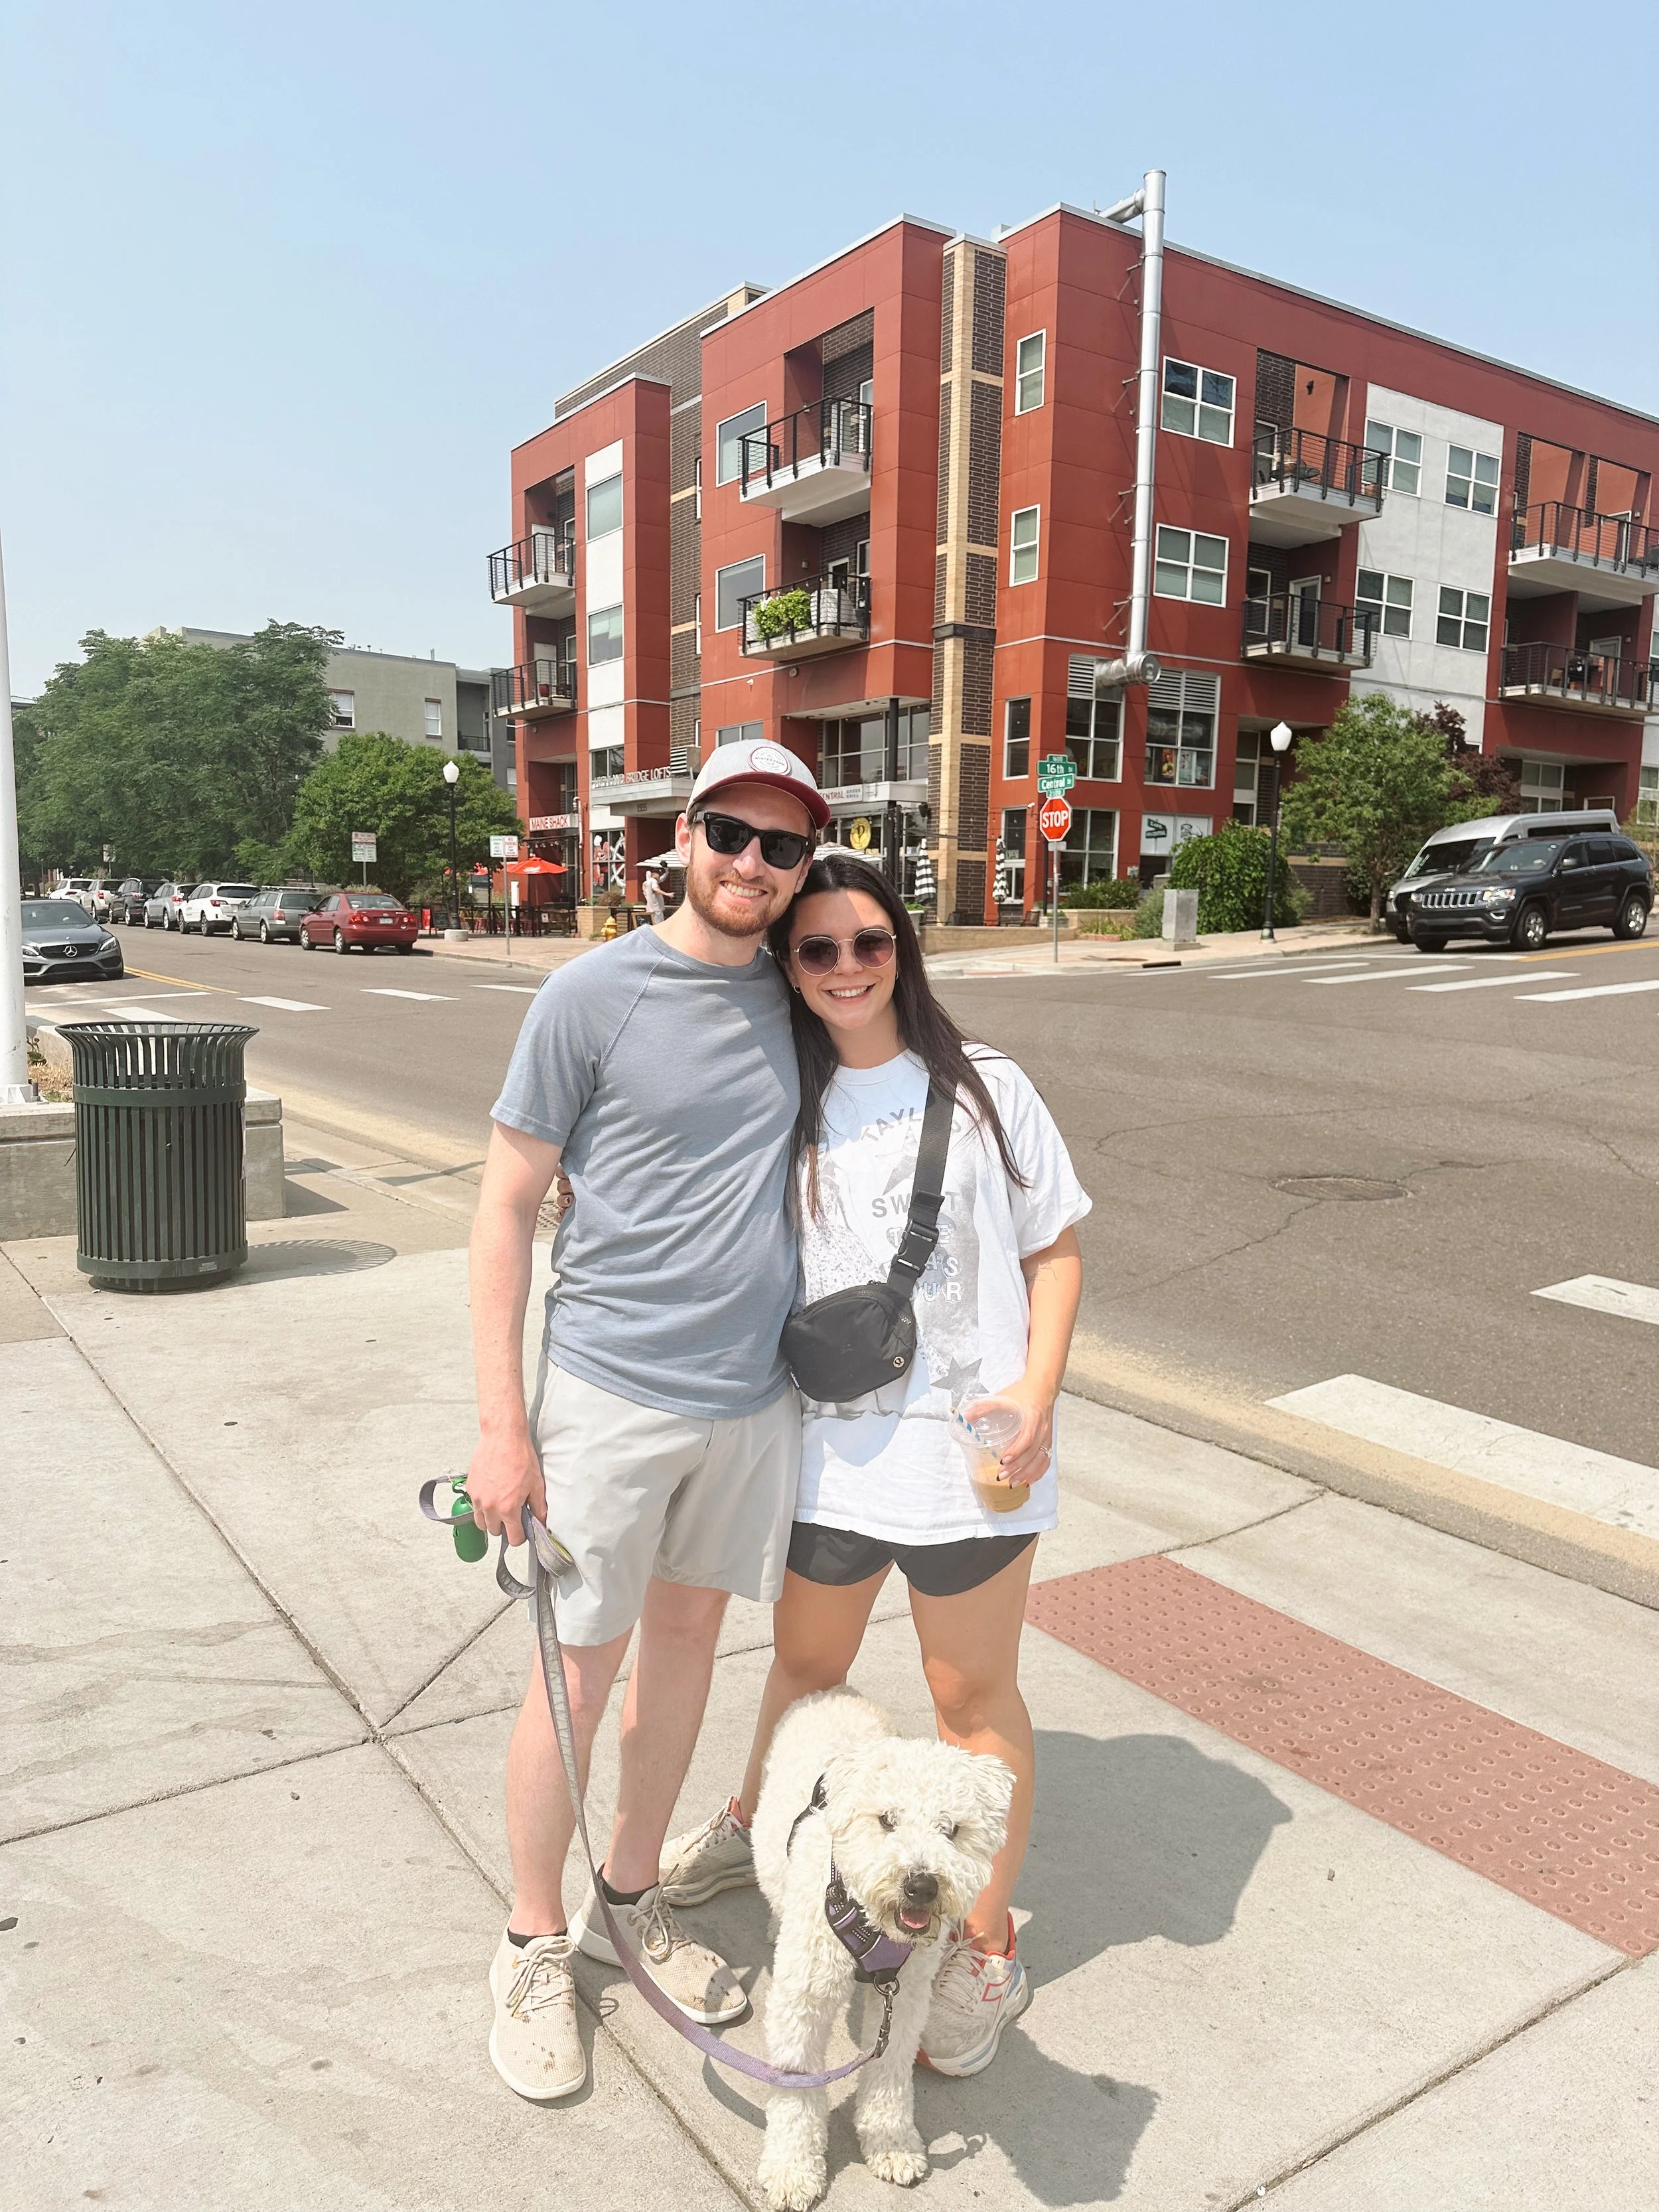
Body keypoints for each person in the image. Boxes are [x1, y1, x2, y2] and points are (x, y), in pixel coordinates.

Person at [660, 848, 1088, 2079]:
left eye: (872, 943)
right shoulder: (775, 1094)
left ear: (903, 949)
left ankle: (981, 1945)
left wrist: (1036, 1391)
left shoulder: (986, 1086)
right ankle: (760, 1824)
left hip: (975, 1459)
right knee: (805, 1673)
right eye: (819, 948)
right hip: (828, 1456)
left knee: (969, 1701)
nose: (848, 967)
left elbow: (1054, 1251)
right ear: (787, 966)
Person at [465, 736, 830, 2103]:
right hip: (609, 1399)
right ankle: (531, 1936)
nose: (750, 862)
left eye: (779, 846)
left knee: (682, 1658)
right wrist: (503, 1426)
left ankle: (631, 1898)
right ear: (680, 834)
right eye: (729, 832)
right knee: (573, 1678)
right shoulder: (589, 993)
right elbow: (505, 1206)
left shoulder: (800, 999)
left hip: (752, 1405)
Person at [642, 861, 668, 925]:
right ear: (655, 874)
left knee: (651, 926)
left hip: (650, 908)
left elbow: (645, 893)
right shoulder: (653, 881)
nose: (660, 877)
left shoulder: (646, 883)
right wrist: (667, 894)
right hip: (657, 908)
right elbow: (656, 889)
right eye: (659, 875)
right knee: (658, 925)